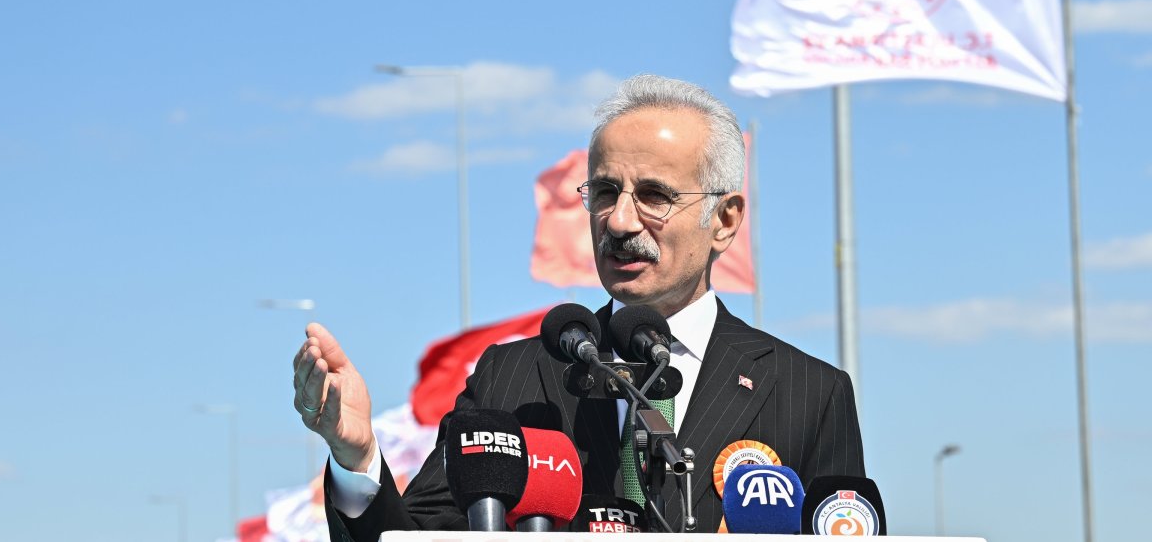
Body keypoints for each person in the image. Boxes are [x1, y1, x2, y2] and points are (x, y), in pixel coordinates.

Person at [292, 74, 865, 538]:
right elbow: (417, 539)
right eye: (606, 192)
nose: (619, 222)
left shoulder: (808, 392)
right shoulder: (511, 378)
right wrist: (358, 457)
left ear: (725, 220)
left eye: (654, 196)